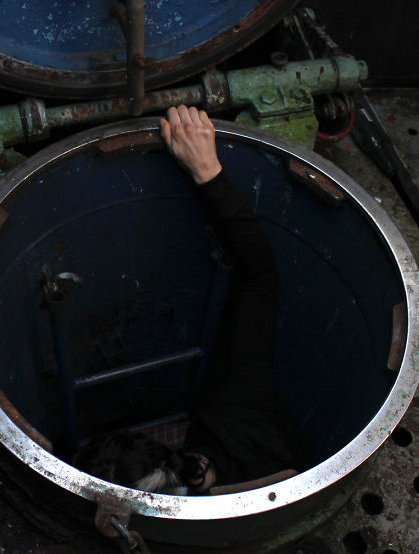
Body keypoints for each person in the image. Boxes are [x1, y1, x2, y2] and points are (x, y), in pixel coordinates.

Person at [74, 105, 299, 493]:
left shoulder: (232, 419)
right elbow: (260, 280)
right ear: (160, 449)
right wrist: (208, 172)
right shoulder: (240, 417)